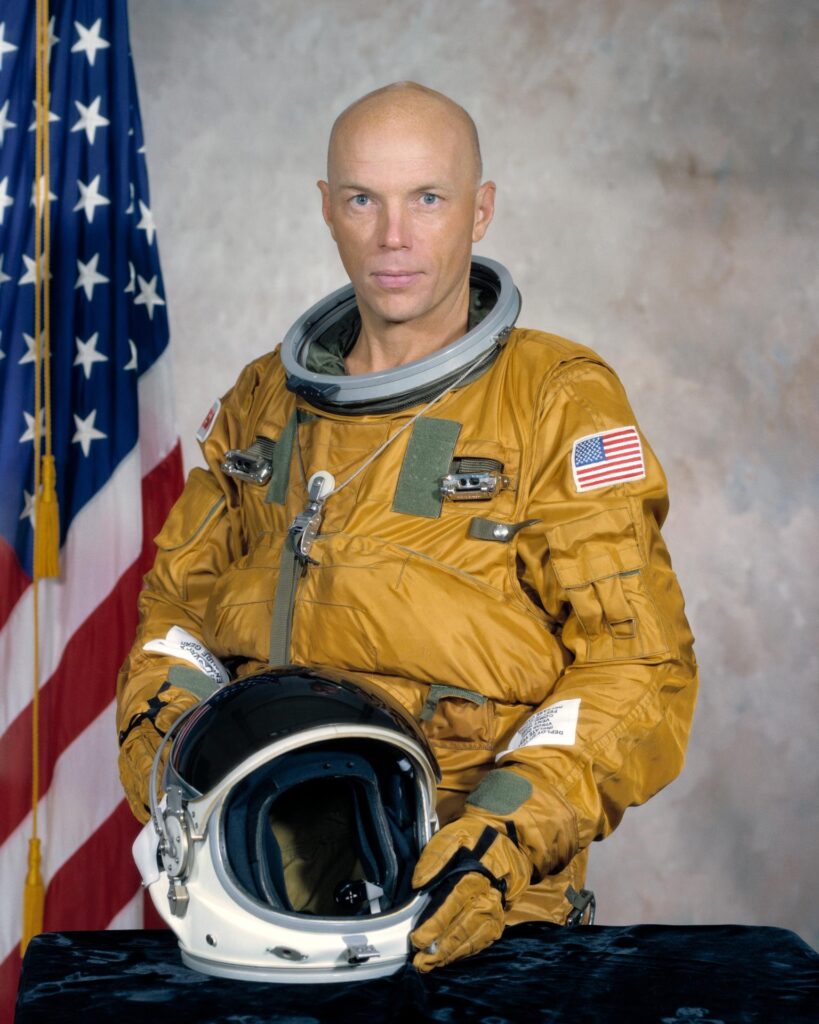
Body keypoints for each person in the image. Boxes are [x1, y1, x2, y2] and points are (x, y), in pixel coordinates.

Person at [116, 82, 698, 972]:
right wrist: (176, 759)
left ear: (480, 210)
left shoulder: (554, 401)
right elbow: (174, 618)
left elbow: (637, 663)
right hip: (252, 890)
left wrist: (501, 835)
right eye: (363, 199)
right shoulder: (264, 402)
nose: (393, 235)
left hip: (474, 906)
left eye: (427, 198)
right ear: (326, 209)